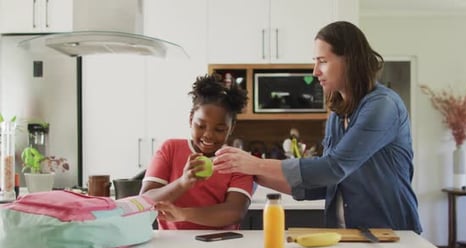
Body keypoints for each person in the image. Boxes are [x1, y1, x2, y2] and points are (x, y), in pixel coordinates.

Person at [213, 21, 422, 233]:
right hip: (345, 235)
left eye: (322, 61)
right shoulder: (338, 113)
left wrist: (255, 164)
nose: (315, 71)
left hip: (391, 234)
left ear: (350, 60)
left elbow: (333, 168)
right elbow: (328, 183)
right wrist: (247, 172)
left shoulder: (383, 106)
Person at [140, 73, 254, 230]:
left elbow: (235, 211)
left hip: (221, 244)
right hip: (171, 244)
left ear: (231, 127)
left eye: (219, 129)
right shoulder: (170, 149)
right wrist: (182, 183)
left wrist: (184, 214)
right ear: (190, 119)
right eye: (201, 126)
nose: (208, 134)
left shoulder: (239, 161)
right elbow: (144, 201)